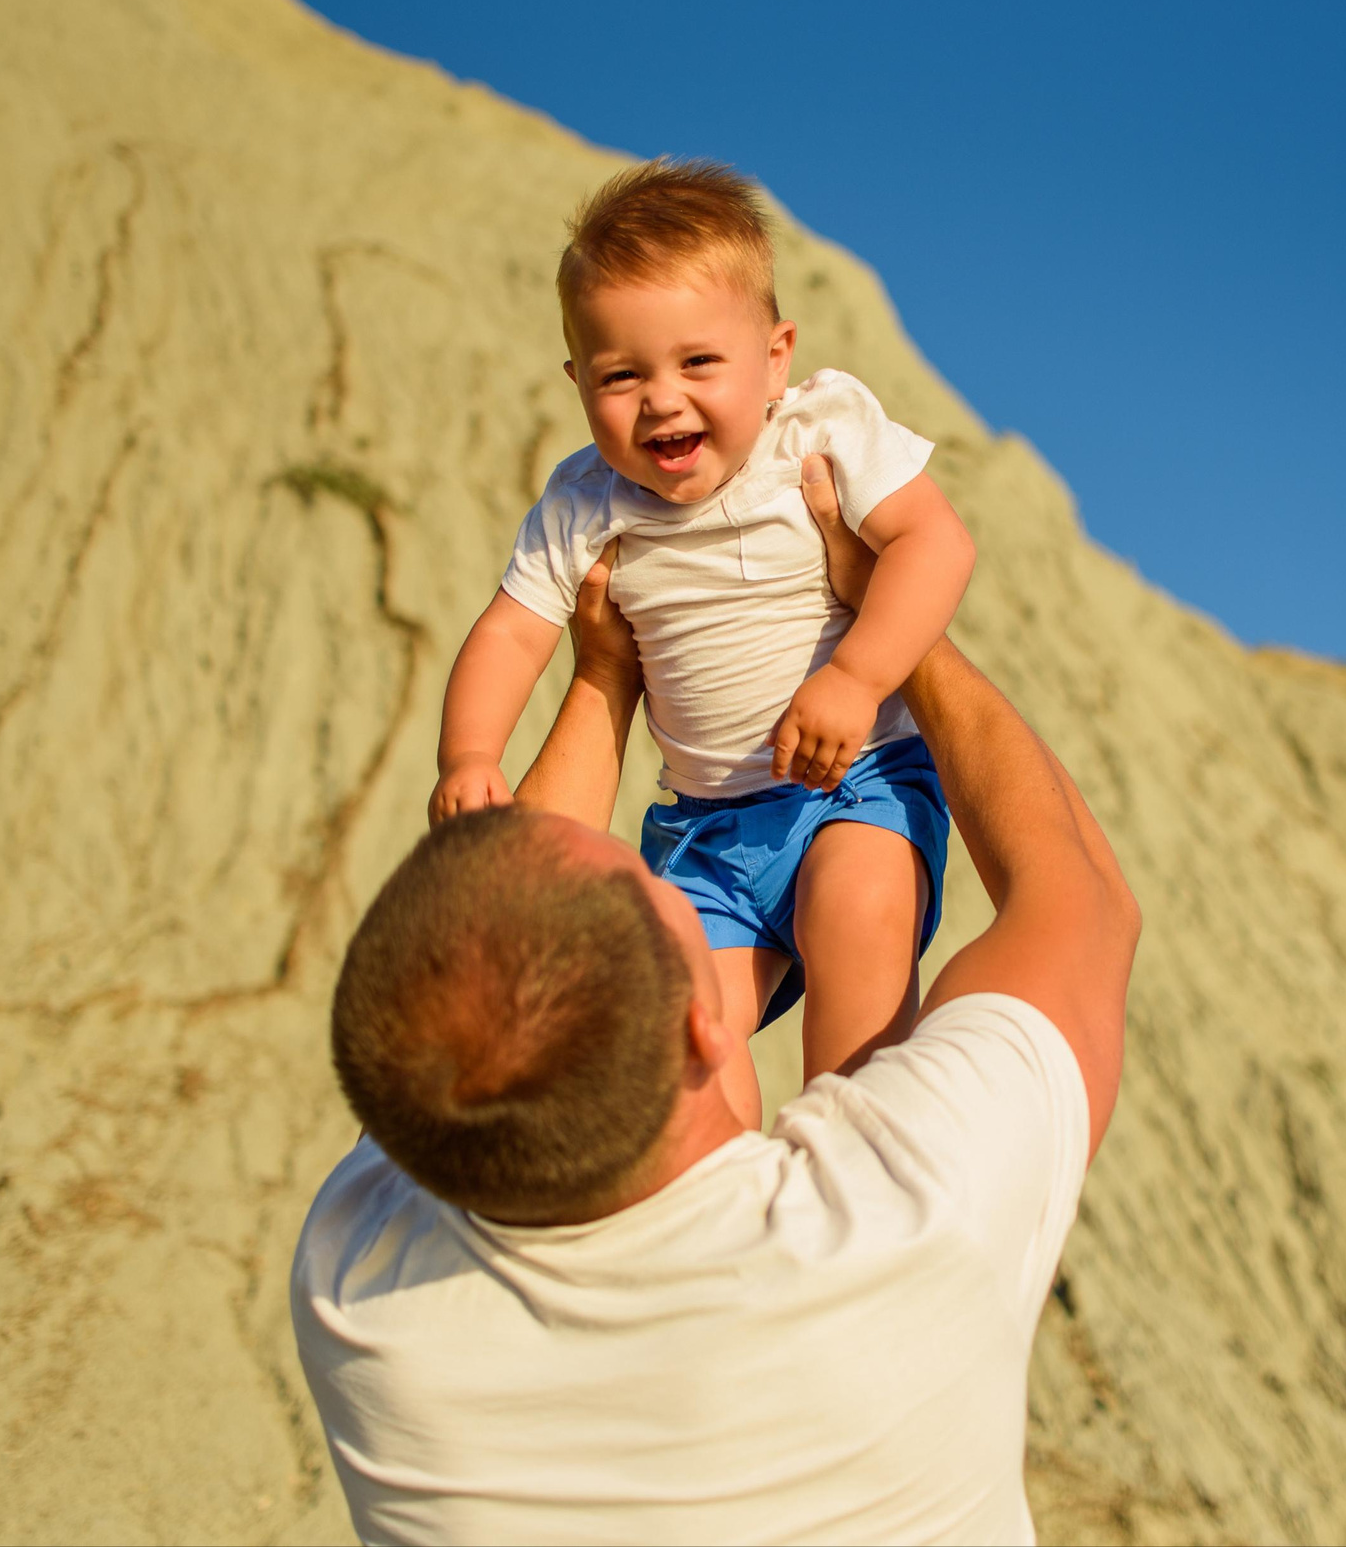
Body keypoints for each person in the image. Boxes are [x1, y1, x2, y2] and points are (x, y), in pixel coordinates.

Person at [289, 462, 1139, 1545]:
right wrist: (896, 628)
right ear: (705, 1017)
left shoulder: (361, 1291)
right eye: (651, 882)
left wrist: (603, 671)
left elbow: (476, 975)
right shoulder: (903, 1224)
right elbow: (1085, 904)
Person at [424, 158, 977, 1094]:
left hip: (856, 782)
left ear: (774, 356)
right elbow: (511, 631)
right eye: (620, 374)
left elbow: (935, 543)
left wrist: (858, 676)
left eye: (698, 362)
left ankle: (853, 1140)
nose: (661, 397)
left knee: (860, 918)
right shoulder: (585, 501)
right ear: (576, 381)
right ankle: (722, 1198)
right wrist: (469, 754)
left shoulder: (818, 436)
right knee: (684, 1040)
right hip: (710, 836)